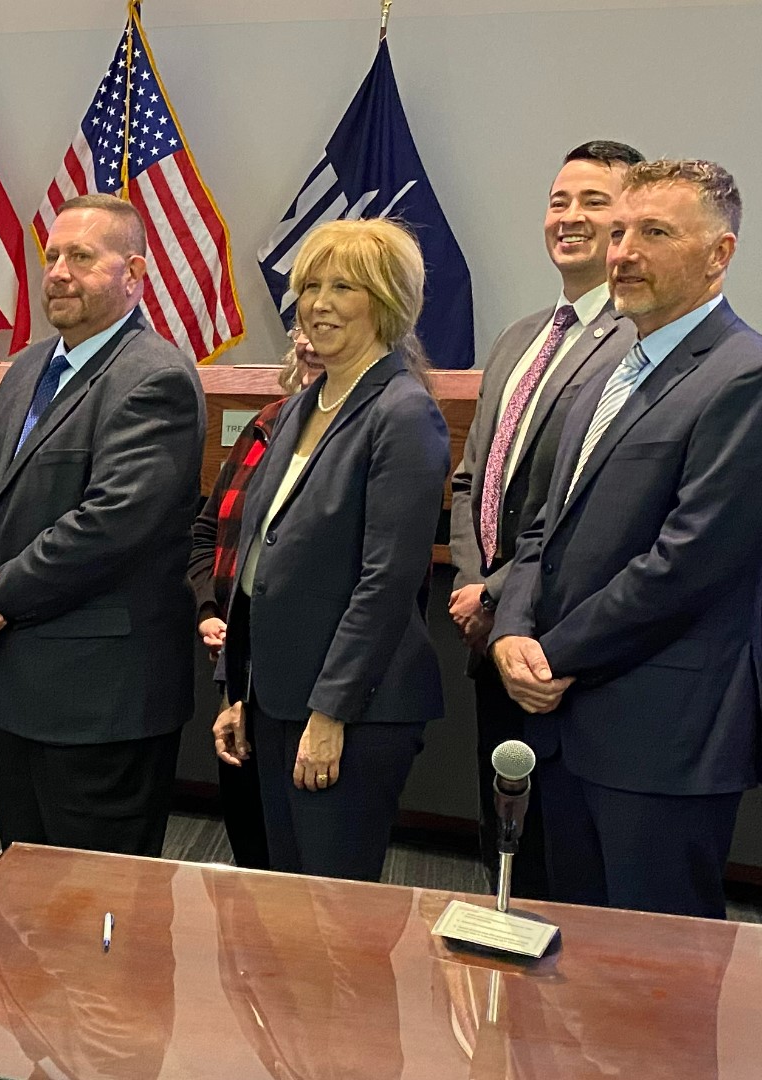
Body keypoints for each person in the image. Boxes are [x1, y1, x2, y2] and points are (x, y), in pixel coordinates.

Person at [491, 160, 762, 919]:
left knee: (656, 986)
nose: (623, 252)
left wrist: (553, 654)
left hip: (660, 739)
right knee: (563, 956)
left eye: (654, 232)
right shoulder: (609, 368)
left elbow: (689, 561)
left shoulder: (743, 376)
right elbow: (542, 523)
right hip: (559, 726)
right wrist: (512, 629)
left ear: (719, 255)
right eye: (618, 234)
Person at [0, 193, 205, 859]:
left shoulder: (156, 379)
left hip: (100, 700)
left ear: (134, 276)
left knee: (98, 915)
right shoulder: (28, 367)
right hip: (12, 684)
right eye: (52, 255)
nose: (56, 271)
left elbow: (109, 526)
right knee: (24, 894)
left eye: (81, 257)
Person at [212, 218, 450, 883]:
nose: (317, 303)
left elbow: (386, 582)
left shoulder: (403, 414)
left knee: (331, 917)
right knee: (282, 899)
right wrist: (237, 690)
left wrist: (330, 712)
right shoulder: (301, 407)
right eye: (309, 285)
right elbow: (259, 560)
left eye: (342, 286)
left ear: (387, 299)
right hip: (274, 698)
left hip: (349, 709)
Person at [446, 141, 643, 898]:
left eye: (595, 202)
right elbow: (472, 477)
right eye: (560, 201)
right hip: (485, 634)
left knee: (570, 872)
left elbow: (589, 511)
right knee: (505, 847)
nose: (570, 216)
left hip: (559, 644)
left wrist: (498, 593)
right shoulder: (519, 337)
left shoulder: (639, 343)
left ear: (630, 223)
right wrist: (472, 584)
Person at [188, 328, 323, 871]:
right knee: (250, 851)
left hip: (309, 688)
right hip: (238, 677)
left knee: (307, 877)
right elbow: (206, 534)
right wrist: (208, 609)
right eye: (301, 331)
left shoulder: (378, 428)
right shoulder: (266, 425)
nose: (310, 342)